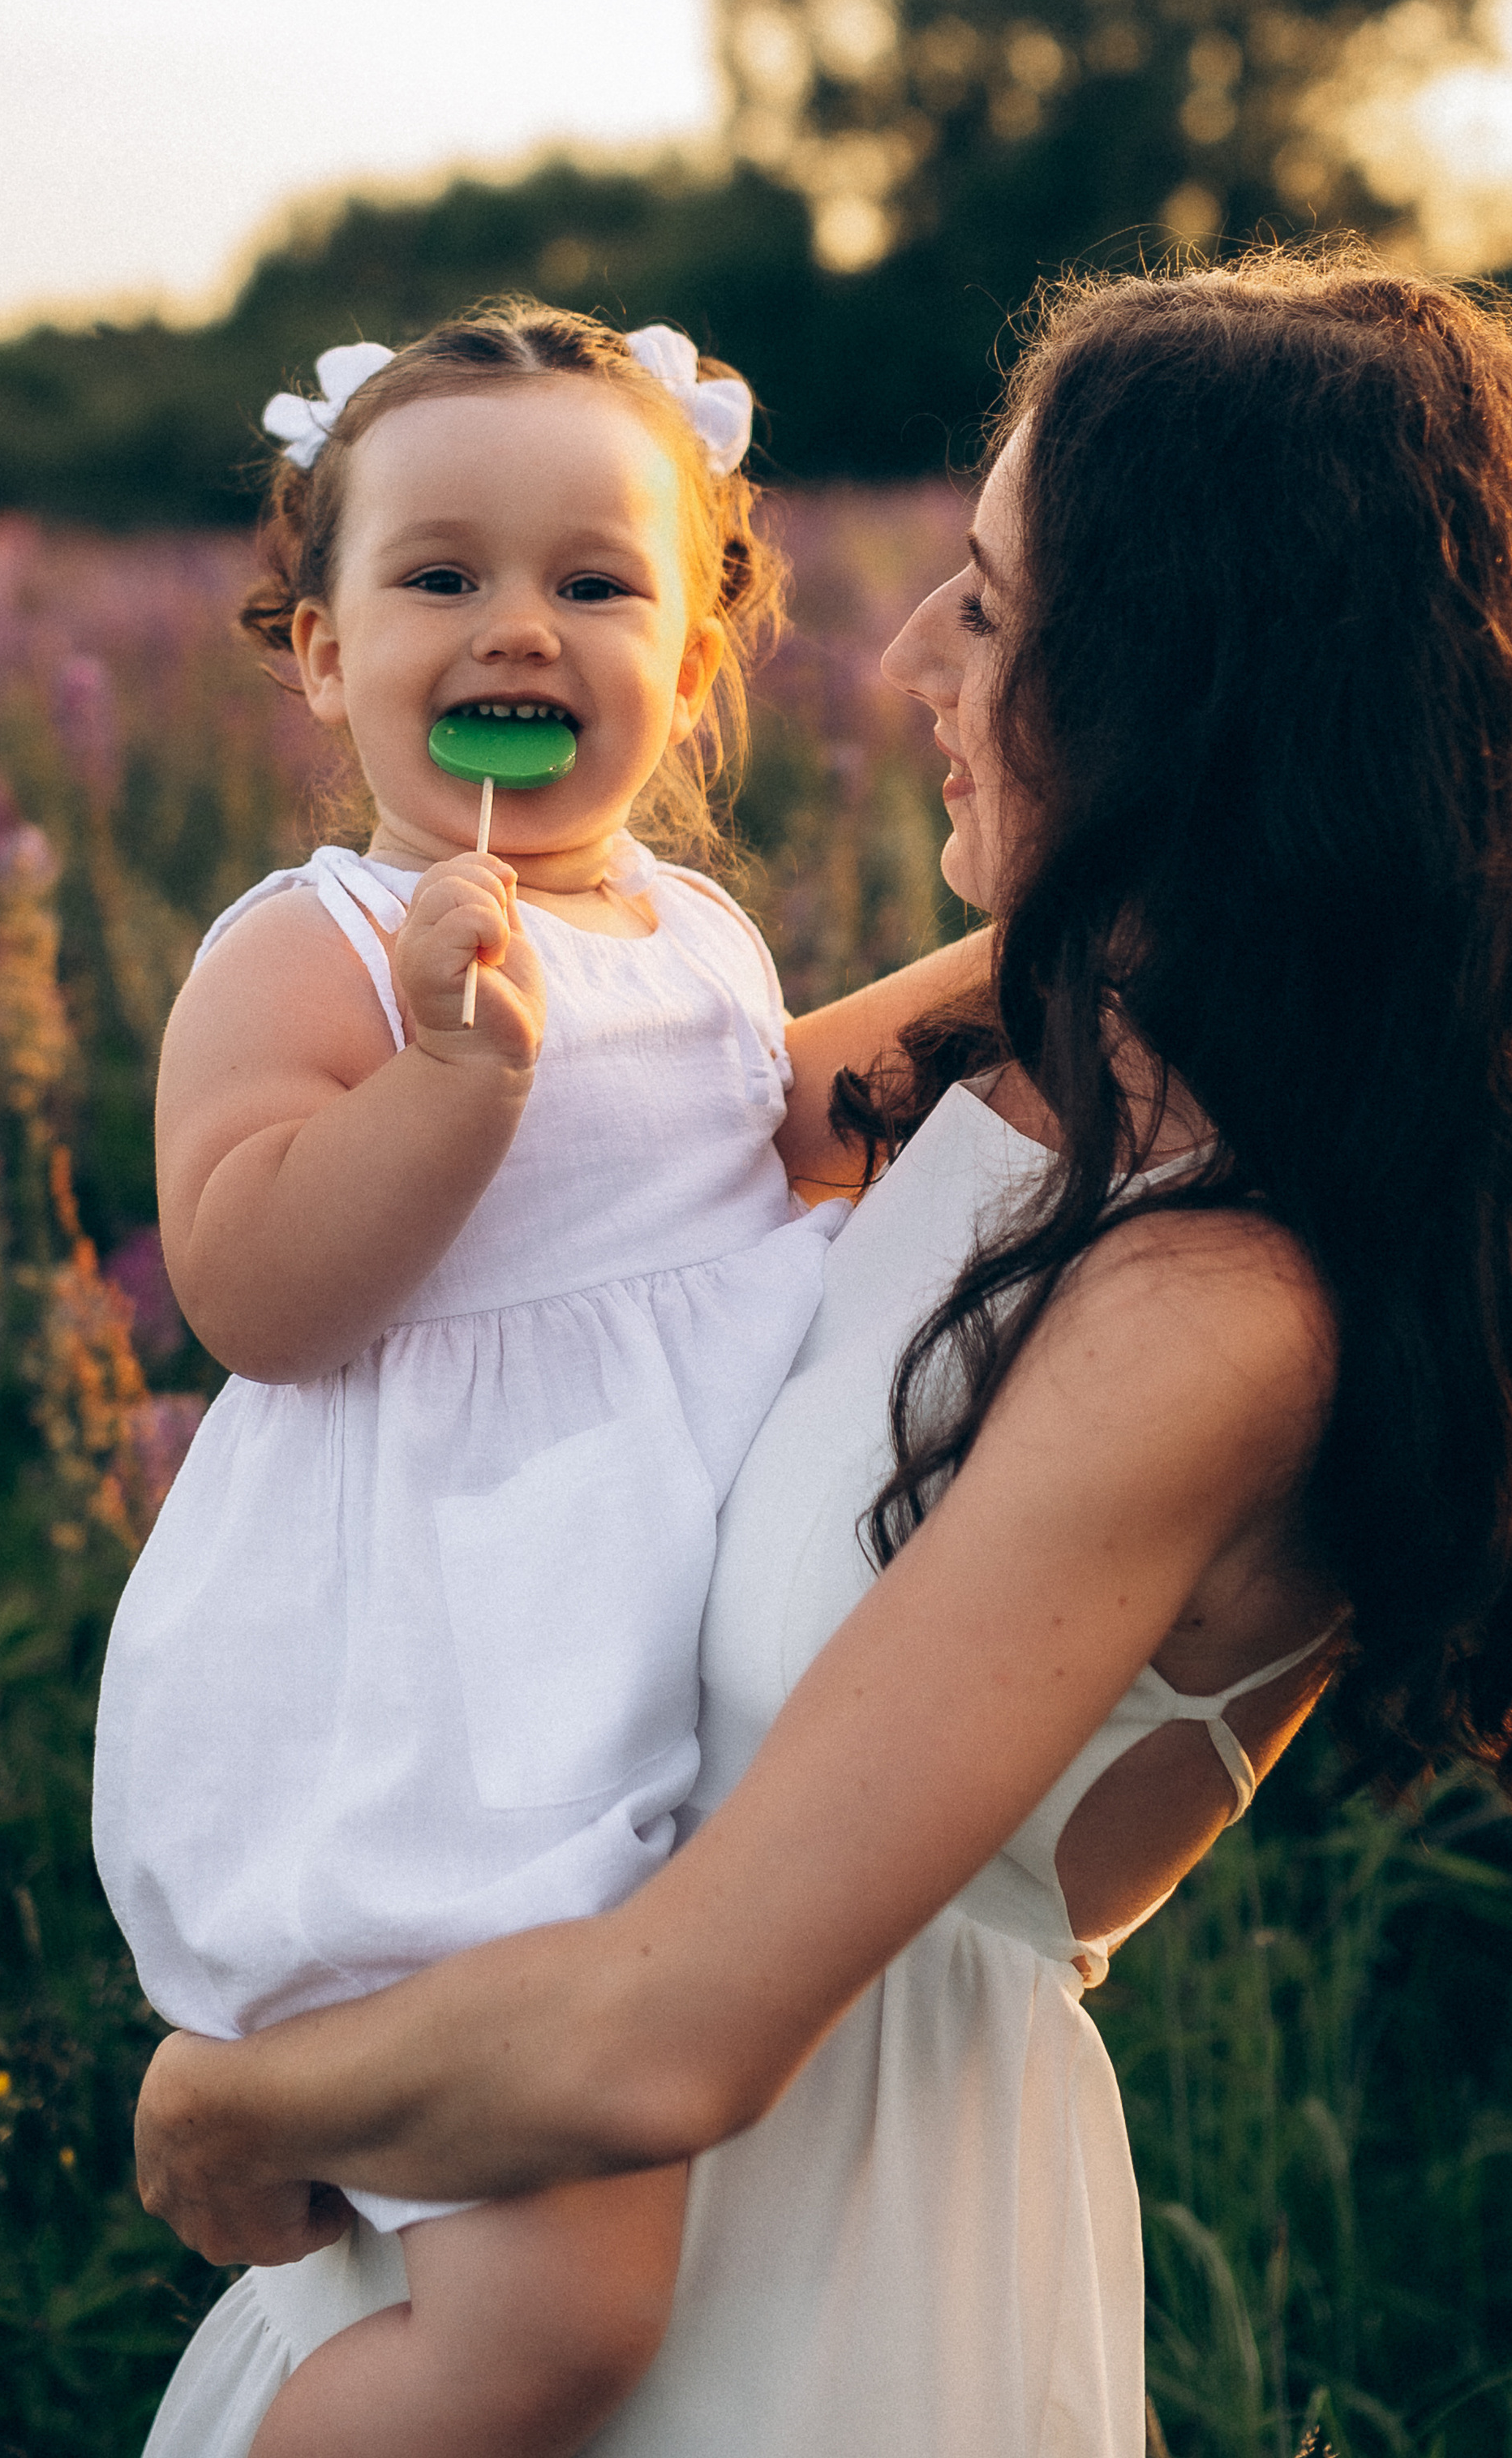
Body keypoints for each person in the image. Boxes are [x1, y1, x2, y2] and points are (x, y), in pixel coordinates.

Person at [132, 256, 1512, 2458]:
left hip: (810, 2280)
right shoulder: (1045, 1021)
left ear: (1204, 688)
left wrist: (224, 2104)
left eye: (998, 609)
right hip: (506, 2162)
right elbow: (629, 1159)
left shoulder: (1219, 1310)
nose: (907, 652)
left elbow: (670, 2037)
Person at [92, 304, 987, 2458]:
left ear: (694, 659)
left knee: (672, 2265)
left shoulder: (695, 933)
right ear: (324, 656)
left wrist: (1059, 956)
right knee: (552, 2334)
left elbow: (773, 1137)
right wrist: (450, 1085)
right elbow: (251, 1296)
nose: (521, 624)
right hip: (437, 1712)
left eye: (596, 581)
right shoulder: (310, 946)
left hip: (631, 1688)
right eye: (443, 576)